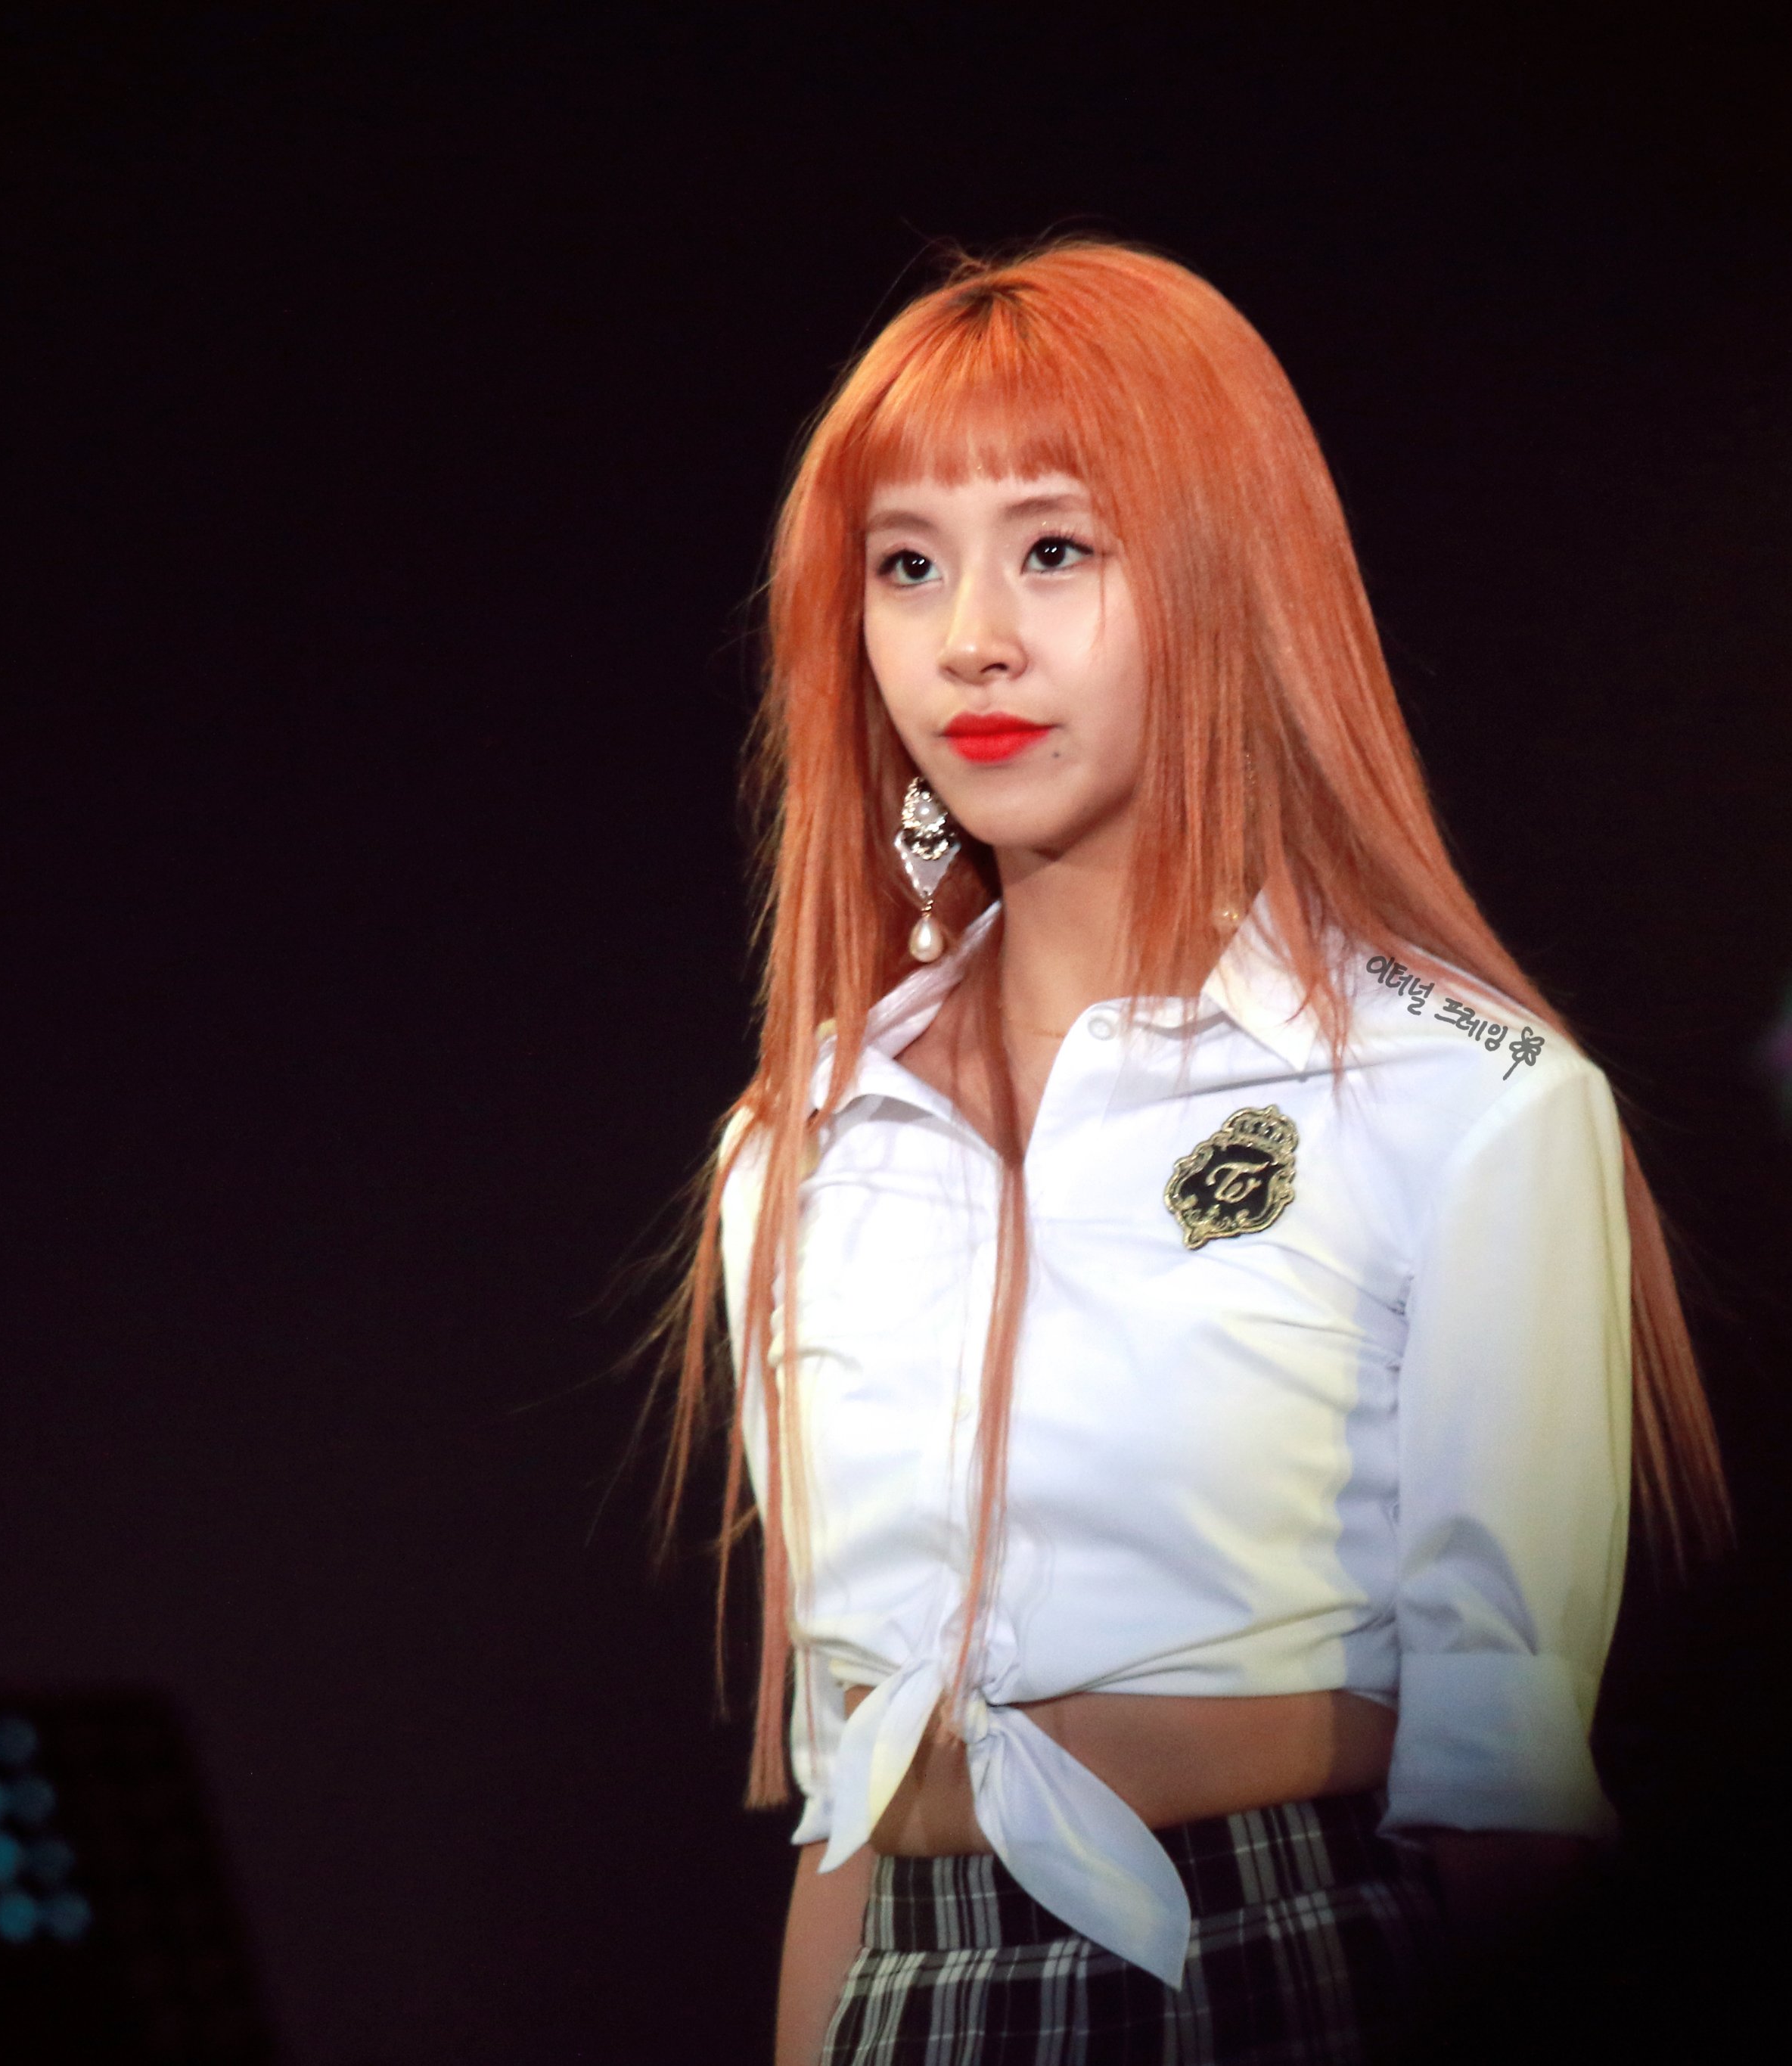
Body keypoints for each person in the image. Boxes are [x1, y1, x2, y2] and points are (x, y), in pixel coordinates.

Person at [654, 239, 1728, 2066]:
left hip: (1284, 1959)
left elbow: (1501, 1769)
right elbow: (846, 1797)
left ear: (1228, 572)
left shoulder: (1457, 1095)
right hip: (914, 1987)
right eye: (906, 565)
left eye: (1053, 548)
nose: (969, 636)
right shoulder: (802, 1139)